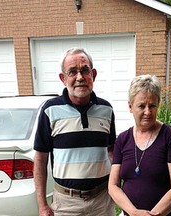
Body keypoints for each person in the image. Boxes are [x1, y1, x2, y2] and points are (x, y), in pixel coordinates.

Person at [33, 47, 116, 216]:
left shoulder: (106, 110)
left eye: (85, 70)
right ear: (63, 78)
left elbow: (112, 152)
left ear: (93, 74)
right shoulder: (50, 110)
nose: (80, 77)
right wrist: (42, 205)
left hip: (102, 201)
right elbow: (41, 159)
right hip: (66, 204)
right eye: (72, 72)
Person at [108, 74, 171, 216]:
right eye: (141, 106)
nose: (148, 112)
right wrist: (133, 212)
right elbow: (113, 186)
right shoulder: (122, 140)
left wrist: (153, 215)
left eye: (152, 106)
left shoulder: (170, 137)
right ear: (130, 106)